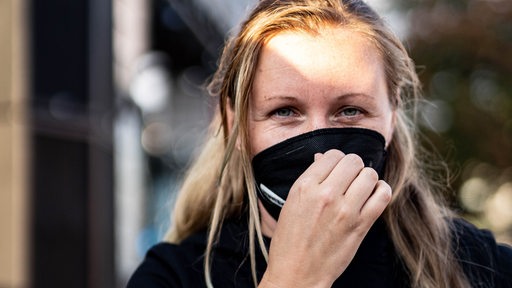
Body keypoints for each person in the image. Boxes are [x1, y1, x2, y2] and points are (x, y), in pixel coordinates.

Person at [127, 0, 512, 287]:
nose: (320, 149)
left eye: (349, 111)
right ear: (235, 126)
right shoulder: (174, 276)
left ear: (392, 118)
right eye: (284, 112)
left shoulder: (472, 263)